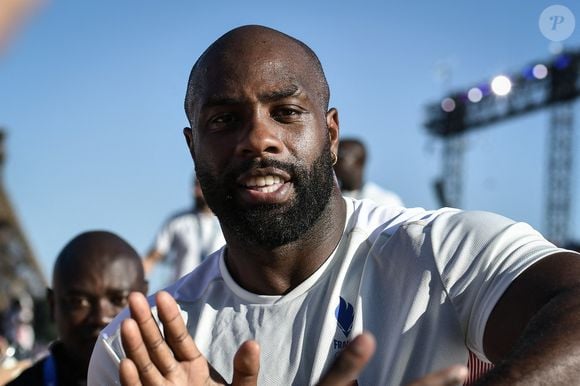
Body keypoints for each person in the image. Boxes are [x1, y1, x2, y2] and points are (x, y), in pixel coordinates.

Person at [88, 25, 580, 386]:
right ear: (193, 149)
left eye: (286, 113)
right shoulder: (141, 352)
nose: (258, 138)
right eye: (224, 120)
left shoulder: (437, 252)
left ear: (330, 136)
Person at [9, 230, 147, 386]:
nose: (101, 317)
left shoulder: (172, 378)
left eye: (118, 299)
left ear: (146, 300)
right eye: (79, 301)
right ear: (53, 305)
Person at [143, 177, 225, 286]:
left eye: (201, 185)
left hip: (218, 295)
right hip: (181, 293)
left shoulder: (229, 222)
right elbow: (153, 256)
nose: (196, 191)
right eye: (195, 185)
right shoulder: (177, 221)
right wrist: (136, 283)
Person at [334, 137, 404, 207]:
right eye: (331, 156)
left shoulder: (386, 201)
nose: (333, 162)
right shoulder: (328, 200)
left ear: (359, 161)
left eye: (340, 156)